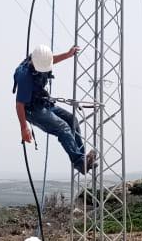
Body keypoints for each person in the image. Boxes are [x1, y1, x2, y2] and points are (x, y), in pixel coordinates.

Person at [13, 44, 96, 173]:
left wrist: (67, 55)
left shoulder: (41, 59)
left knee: (72, 120)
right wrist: (24, 127)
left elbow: (50, 60)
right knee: (63, 127)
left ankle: (83, 158)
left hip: (43, 103)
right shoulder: (25, 76)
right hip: (32, 110)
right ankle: (80, 162)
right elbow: (19, 104)